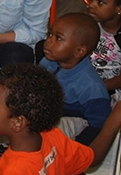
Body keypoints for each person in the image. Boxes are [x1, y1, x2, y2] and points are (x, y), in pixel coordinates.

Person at [36, 13, 110, 145]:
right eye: (50, 34)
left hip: (72, 121)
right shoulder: (49, 61)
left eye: (58, 38)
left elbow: (99, 125)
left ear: (79, 51)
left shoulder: (91, 86)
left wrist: (76, 149)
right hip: (49, 110)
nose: (49, 40)